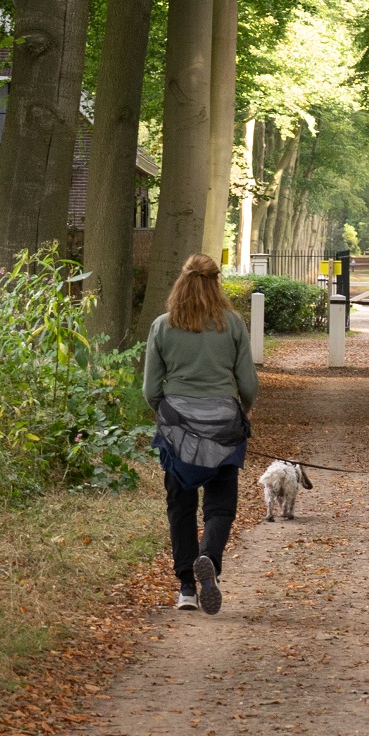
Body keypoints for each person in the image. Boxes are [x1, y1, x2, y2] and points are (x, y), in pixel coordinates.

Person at [144, 253, 258, 614]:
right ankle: (208, 556)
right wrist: (243, 411)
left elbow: (150, 389)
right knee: (220, 505)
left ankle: (187, 589)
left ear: (181, 282)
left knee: (181, 504)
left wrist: (168, 416)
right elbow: (248, 383)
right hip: (224, 425)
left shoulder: (163, 325)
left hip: (178, 428)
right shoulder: (233, 324)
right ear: (216, 282)